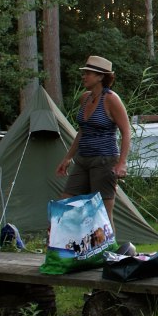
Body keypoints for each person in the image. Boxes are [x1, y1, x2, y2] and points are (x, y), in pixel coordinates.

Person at [56, 55, 131, 222]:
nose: (84, 76)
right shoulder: (85, 98)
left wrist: (122, 163)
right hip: (82, 159)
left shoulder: (111, 99)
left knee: (102, 212)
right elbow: (82, 131)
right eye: (84, 73)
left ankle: (110, 248)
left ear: (100, 77)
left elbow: (126, 132)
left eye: (88, 73)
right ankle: (64, 246)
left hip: (104, 160)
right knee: (65, 204)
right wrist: (67, 157)